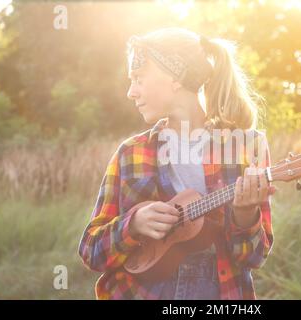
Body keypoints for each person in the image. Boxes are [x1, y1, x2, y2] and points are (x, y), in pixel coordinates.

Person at [78, 27, 275, 300]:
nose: (130, 92)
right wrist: (132, 225)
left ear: (173, 77)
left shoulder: (245, 147)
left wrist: (245, 214)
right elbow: (91, 250)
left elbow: (253, 258)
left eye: (138, 78)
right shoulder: (130, 154)